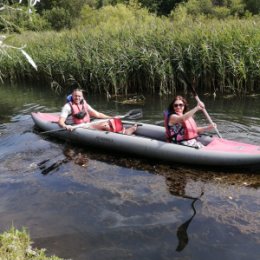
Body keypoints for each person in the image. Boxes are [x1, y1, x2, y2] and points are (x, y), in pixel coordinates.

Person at [58, 89, 137, 135]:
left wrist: (111, 117)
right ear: (72, 96)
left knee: (110, 120)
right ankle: (124, 133)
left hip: (88, 124)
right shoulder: (68, 106)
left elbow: (97, 114)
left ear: (82, 97)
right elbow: (61, 121)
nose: (77, 98)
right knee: (105, 125)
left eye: (79, 96)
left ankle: (120, 130)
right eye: (75, 96)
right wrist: (66, 126)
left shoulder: (84, 104)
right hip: (80, 127)